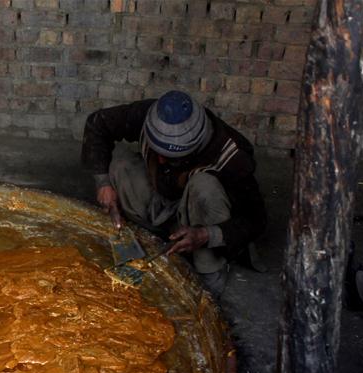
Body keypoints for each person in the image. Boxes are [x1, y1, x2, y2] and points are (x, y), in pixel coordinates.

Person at [81, 90, 267, 295]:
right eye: (157, 152)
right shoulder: (149, 114)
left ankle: (209, 268)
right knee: (120, 163)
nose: (160, 160)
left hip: (194, 216)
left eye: (170, 157)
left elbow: (256, 220)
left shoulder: (232, 156)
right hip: (160, 199)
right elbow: (97, 123)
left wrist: (205, 235)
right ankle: (152, 238)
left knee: (204, 186)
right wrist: (103, 184)